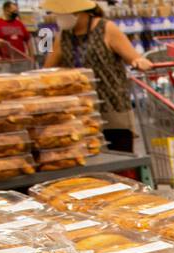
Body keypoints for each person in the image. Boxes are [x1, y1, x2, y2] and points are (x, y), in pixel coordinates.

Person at [42, 0, 152, 152]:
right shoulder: (63, 36)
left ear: (80, 13)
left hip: (112, 106)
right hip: (80, 112)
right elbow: (47, 70)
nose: (59, 17)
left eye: (63, 14)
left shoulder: (107, 28)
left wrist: (140, 61)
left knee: (120, 157)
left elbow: (133, 57)